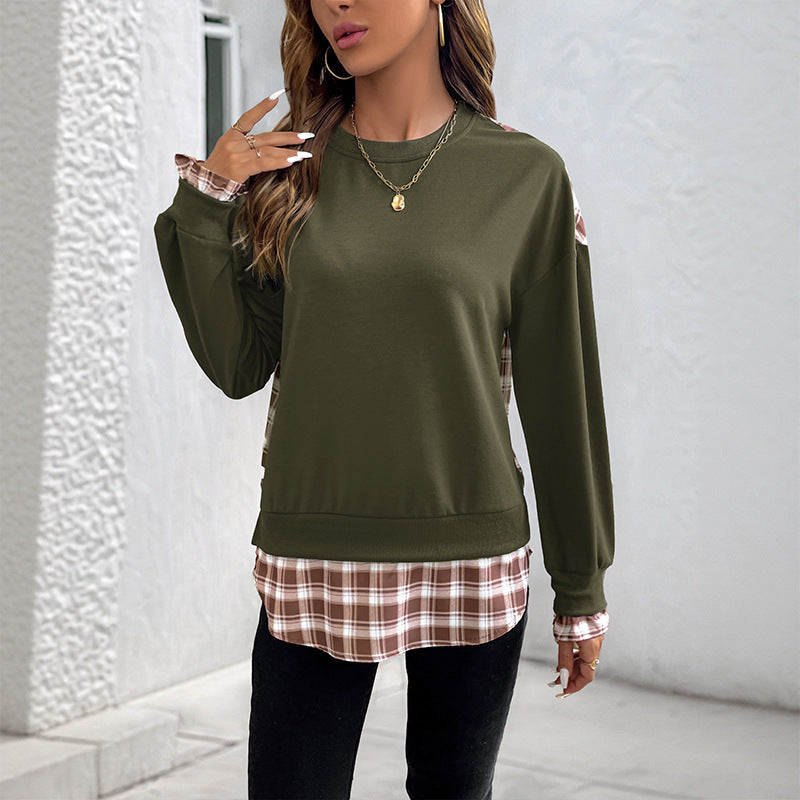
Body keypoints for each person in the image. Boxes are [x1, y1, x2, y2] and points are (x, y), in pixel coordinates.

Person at [153, 1, 615, 797]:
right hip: (313, 553)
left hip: (471, 554)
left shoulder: (527, 175)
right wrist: (208, 199)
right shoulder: (290, 171)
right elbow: (237, 365)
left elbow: (561, 396)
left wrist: (581, 587)